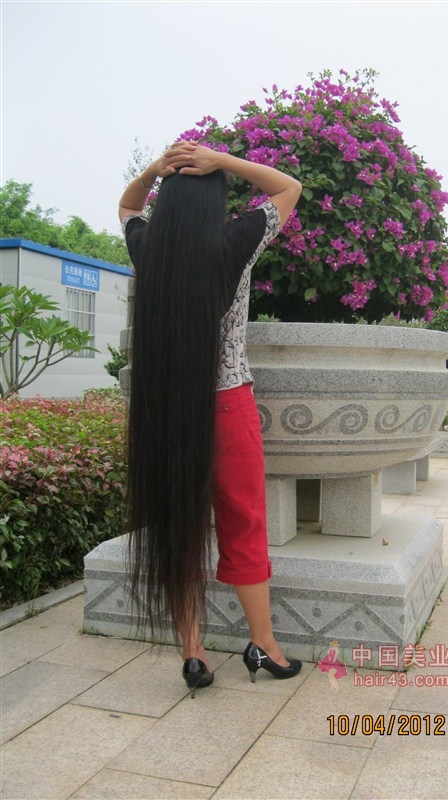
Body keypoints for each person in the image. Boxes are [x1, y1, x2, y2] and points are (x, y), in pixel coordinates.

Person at [118, 140, 303, 697]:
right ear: (214, 201)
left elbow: (127, 207)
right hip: (226, 403)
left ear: (169, 202)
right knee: (243, 522)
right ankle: (263, 645)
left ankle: (193, 652)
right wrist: (223, 161)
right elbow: (288, 187)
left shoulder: (147, 248)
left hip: (162, 407)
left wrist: (155, 169)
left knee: (175, 521)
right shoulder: (235, 240)